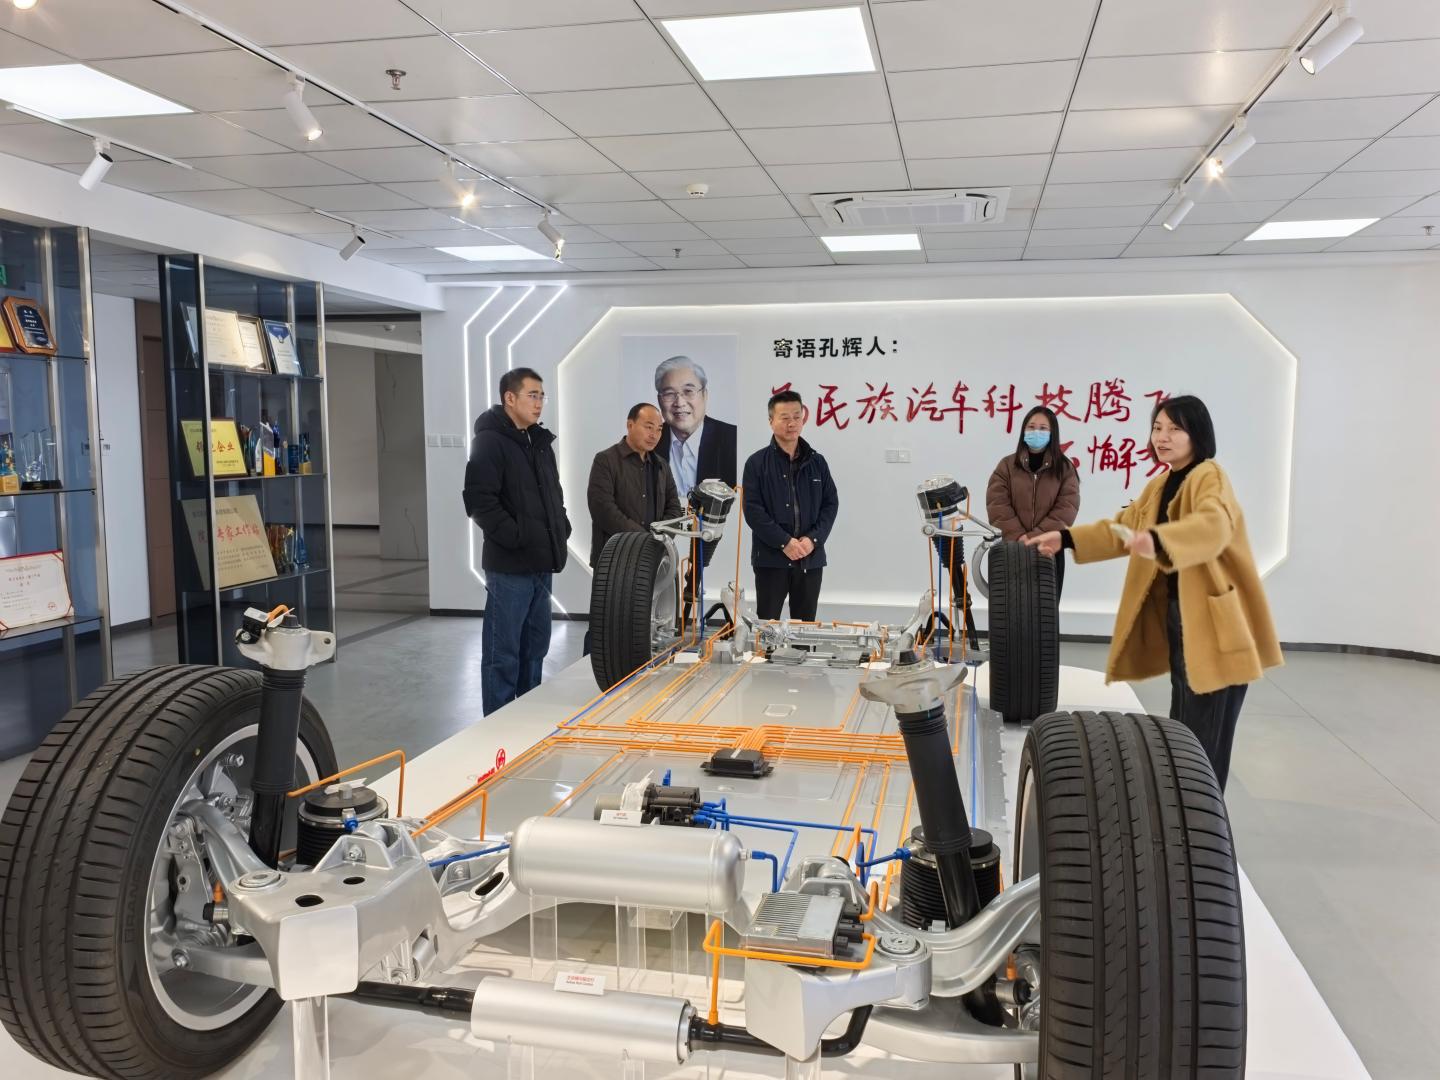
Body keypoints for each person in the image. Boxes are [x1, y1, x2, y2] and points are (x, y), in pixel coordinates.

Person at [1026, 395, 1280, 790]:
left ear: (1197, 435)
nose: (1162, 437)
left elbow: (1213, 526)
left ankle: (1202, 815)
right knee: (1185, 726)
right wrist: (1067, 538)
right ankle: (1184, 808)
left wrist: (1159, 540)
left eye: (1175, 429)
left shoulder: (1209, 476)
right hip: (1183, 620)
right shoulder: (1161, 484)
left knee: (1205, 738)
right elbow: (1123, 528)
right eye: (1158, 428)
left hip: (1215, 626)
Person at [462, 367, 571, 716]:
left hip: (541, 563)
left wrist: (561, 527)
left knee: (535, 648)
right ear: (510, 398)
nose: (539, 403)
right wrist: (518, 537)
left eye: (542, 396)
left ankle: (526, 718)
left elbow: (554, 494)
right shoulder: (489, 441)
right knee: (503, 653)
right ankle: (496, 724)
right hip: (509, 566)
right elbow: (479, 501)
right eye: (532, 395)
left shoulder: (539, 443)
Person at [585, 402, 682, 653]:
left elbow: (674, 509)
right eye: (648, 427)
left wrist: (660, 540)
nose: (654, 435)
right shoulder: (606, 460)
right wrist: (644, 540)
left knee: (645, 629)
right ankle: (594, 672)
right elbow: (603, 509)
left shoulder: (661, 465)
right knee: (606, 627)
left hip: (654, 562)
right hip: (615, 561)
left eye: (659, 429)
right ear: (630, 425)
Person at [742, 389, 839, 622]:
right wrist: (784, 542)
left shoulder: (817, 462)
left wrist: (812, 540)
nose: (792, 423)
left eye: (797, 416)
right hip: (771, 558)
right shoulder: (756, 463)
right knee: (768, 625)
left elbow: (830, 504)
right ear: (771, 421)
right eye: (785, 417)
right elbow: (753, 511)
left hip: (809, 557)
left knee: (805, 626)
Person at [985, 405, 1080, 597]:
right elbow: (997, 503)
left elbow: (1067, 508)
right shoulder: (1006, 466)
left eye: (1043, 428)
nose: (1036, 432)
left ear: (1052, 433)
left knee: (1046, 606)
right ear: (1023, 431)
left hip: (1049, 549)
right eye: (1031, 427)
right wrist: (1018, 536)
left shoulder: (1064, 468)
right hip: (1012, 548)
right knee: (1011, 604)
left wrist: (1036, 537)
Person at [653, 356, 737, 494]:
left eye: (688, 391)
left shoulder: (734, 439)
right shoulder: (648, 445)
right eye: (669, 394)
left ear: (704, 395)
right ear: (659, 400)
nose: (679, 403)